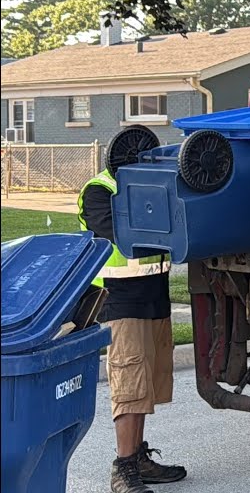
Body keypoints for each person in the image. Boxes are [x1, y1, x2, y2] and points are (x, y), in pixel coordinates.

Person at [78, 168, 187, 493]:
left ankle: (137, 457)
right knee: (129, 383)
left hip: (153, 294)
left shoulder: (154, 182)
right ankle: (122, 470)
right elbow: (120, 234)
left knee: (145, 383)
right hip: (118, 298)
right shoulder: (98, 190)